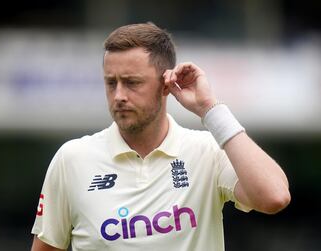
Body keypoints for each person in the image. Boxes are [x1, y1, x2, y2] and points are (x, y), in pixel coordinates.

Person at [30, 22, 291, 251]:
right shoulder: (72, 158)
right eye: (111, 83)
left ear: (166, 84)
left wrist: (210, 109)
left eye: (132, 82)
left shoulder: (206, 152)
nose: (119, 95)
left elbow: (274, 196)